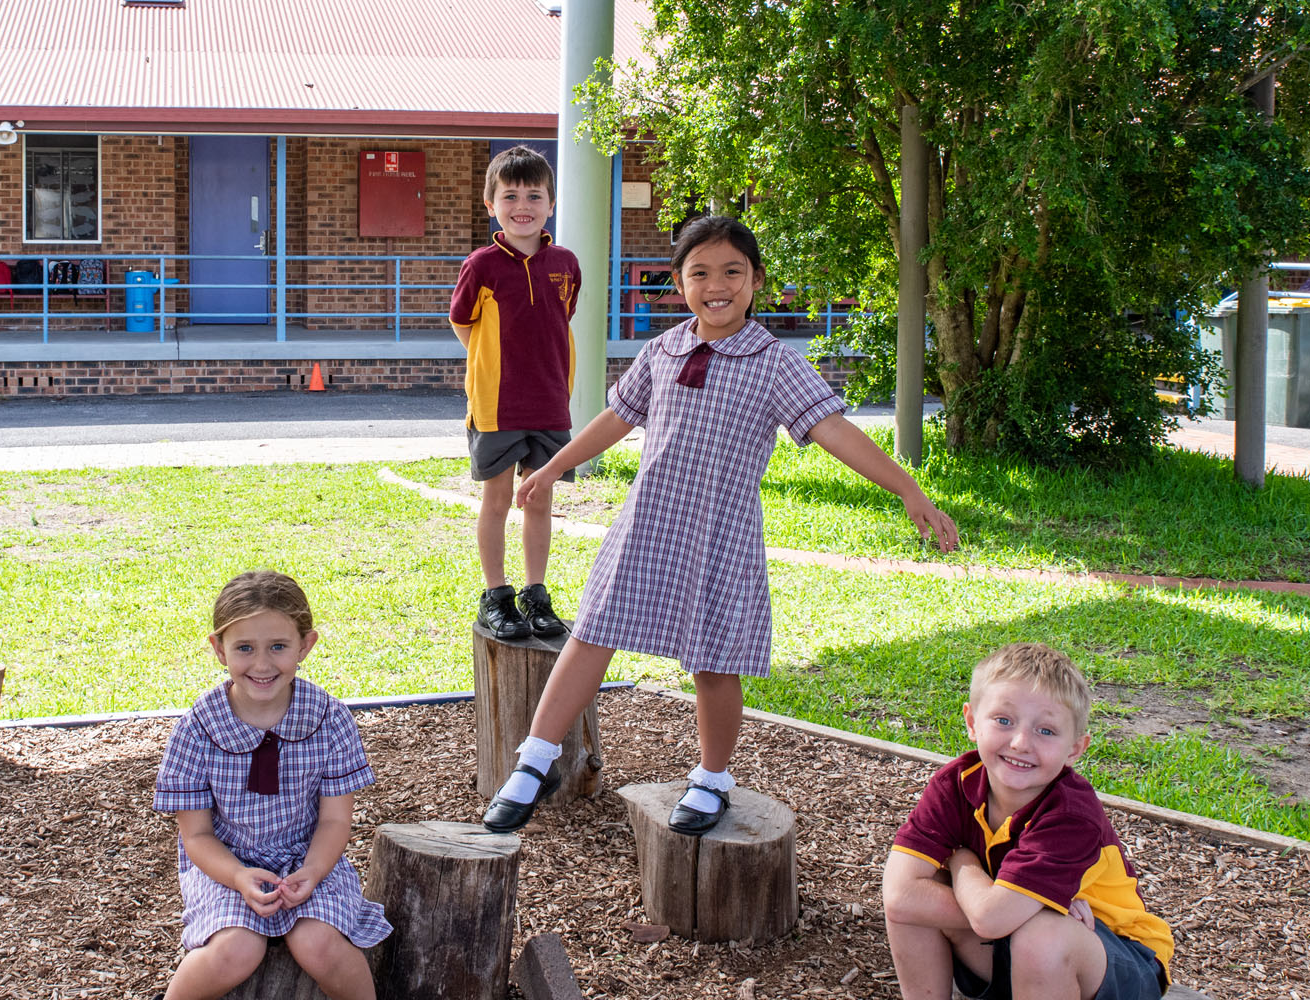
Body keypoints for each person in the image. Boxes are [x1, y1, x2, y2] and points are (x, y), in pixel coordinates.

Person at [481, 215, 959, 836]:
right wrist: (553, 467)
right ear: (679, 284)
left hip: (721, 535)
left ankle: (711, 778)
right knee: (592, 633)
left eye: (733, 272)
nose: (717, 285)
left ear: (756, 280)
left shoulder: (773, 363)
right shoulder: (663, 349)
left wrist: (909, 488)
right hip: (646, 525)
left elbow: (834, 430)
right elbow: (615, 418)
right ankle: (534, 761)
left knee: (714, 659)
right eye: (699, 272)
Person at [882, 643, 1173, 1000]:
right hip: (1016, 948)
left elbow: (991, 920)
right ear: (972, 722)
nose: (1020, 743)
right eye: (1004, 721)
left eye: (1046, 731)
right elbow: (899, 898)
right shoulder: (955, 784)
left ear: (1075, 748)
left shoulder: (1070, 813)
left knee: (1041, 936)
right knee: (922, 905)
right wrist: (1011, 907)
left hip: (1117, 961)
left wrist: (961, 861)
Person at [154, 571, 390, 1000]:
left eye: (278, 647)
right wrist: (239, 876)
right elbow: (197, 835)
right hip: (226, 864)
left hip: (308, 858)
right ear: (218, 649)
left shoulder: (330, 720)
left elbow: (335, 821)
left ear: (306, 645)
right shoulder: (197, 729)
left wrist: (313, 873)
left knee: (318, 944)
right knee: (237, 950)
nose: (262, 665)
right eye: (244, 648)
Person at [450, 144, 581, 642]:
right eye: (510, 196)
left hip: (549, 402)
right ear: (491, 205)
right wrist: (493, 362)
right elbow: (463, 324)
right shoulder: (482, 265)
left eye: (534, 195)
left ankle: (535, 592)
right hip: (496, 405)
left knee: (541, 498)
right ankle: (496, 595)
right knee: (498, 498)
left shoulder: (565, 263)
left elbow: (558, 321)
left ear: (551, 204)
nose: (522, 204)